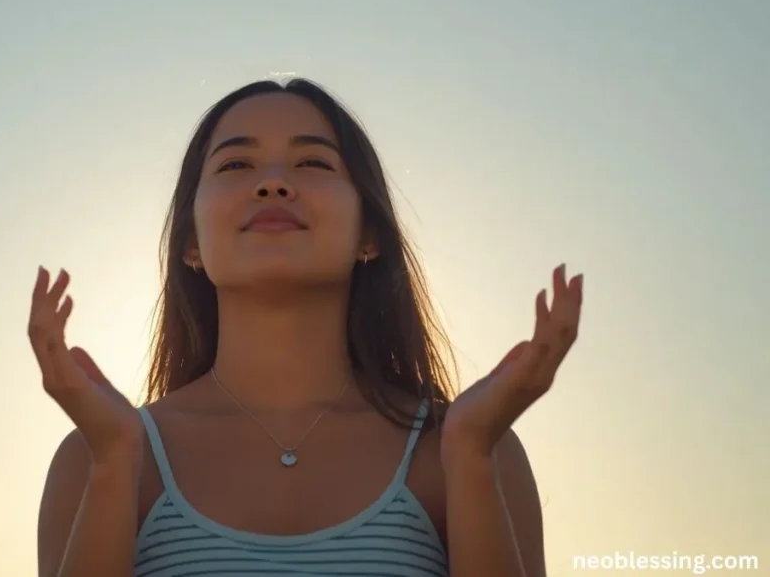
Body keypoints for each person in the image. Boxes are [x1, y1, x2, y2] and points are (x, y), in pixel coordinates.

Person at [29, 78, 584, 577]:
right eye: (235, 166)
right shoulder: (100, 454)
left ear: (370, 235)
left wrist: (470, 456)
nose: (272, 184)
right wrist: (112, 467)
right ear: (192, 245)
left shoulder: (466, 447)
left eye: (313, 164)